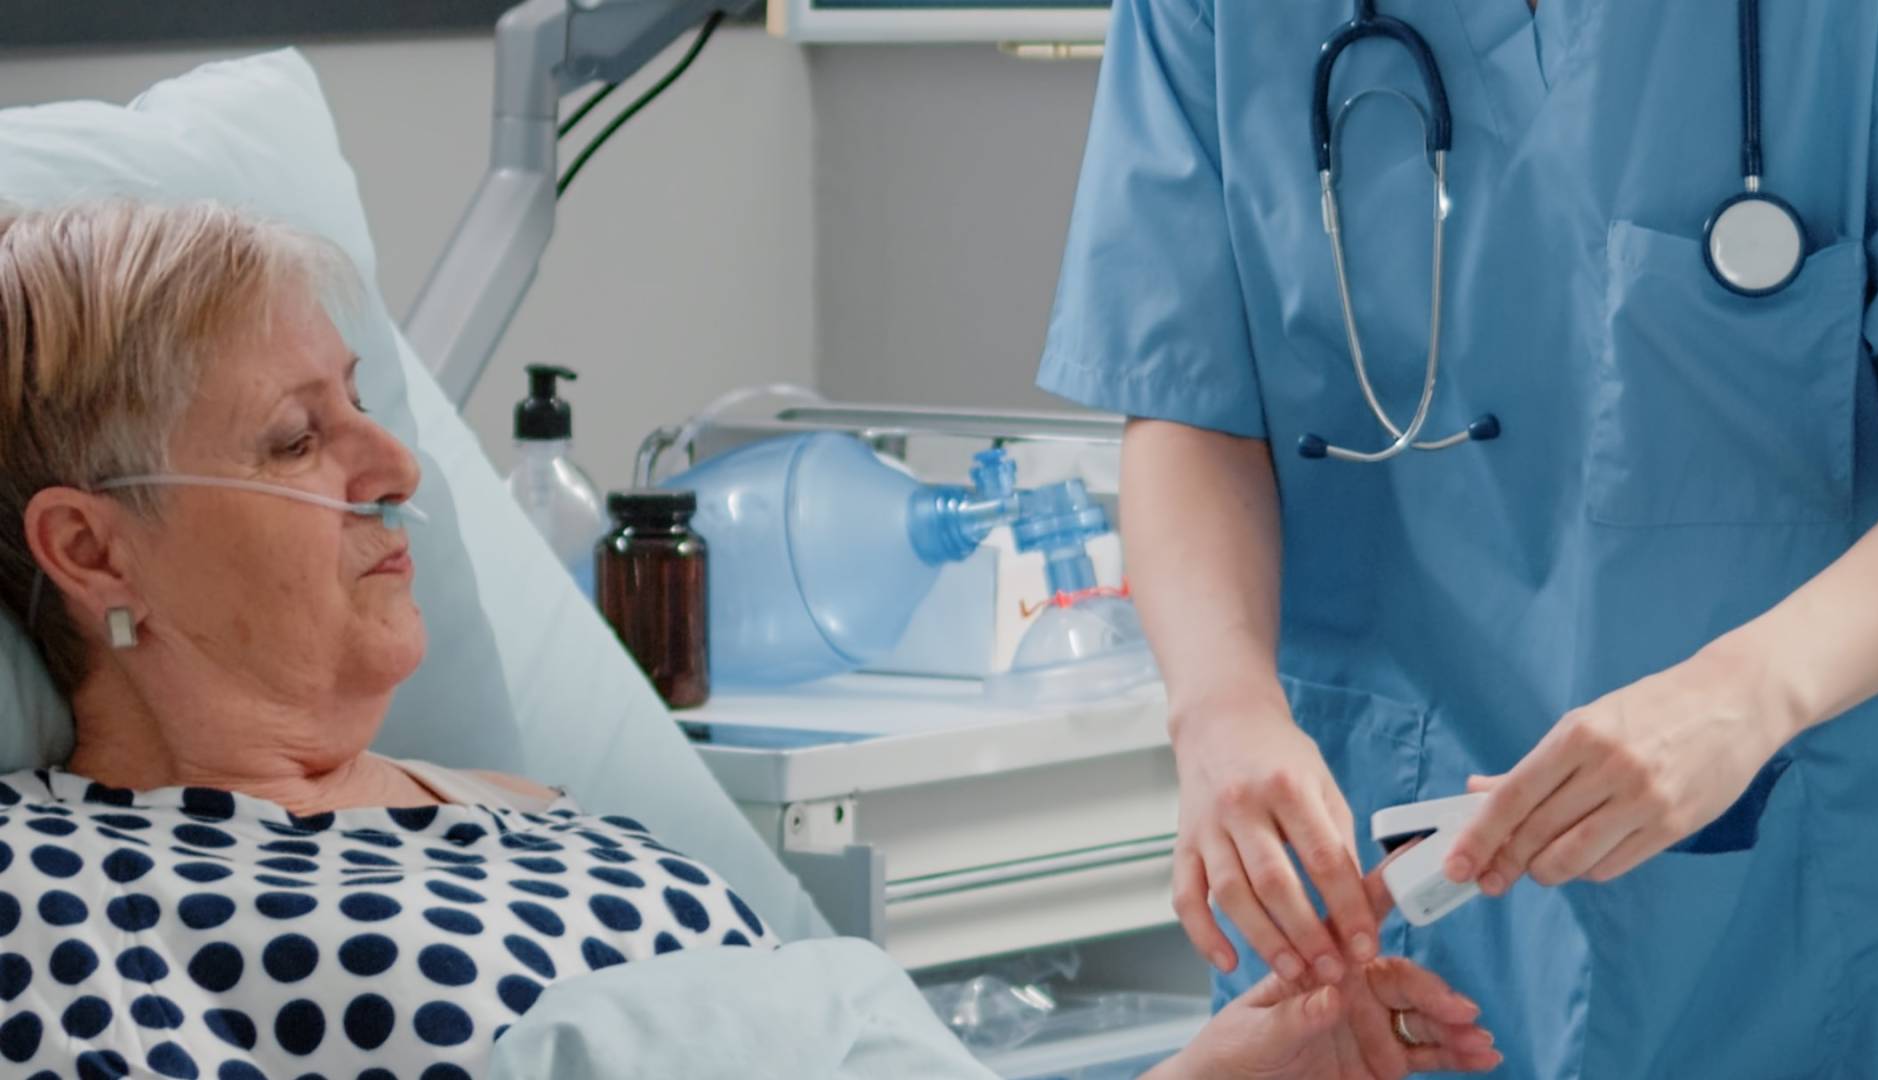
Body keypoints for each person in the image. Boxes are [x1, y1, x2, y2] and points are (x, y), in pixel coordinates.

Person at [0, 199, 1497, 1078]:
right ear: (89, 547)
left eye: (361, 403)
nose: (392, 464)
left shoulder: (533, 817)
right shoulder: (58, 888)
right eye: (293, 437)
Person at [1037, 0, 1878, 1075]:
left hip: (1794, 900)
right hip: (1381, 919)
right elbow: (1190, 394)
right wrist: (1219, 707)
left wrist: (1751, 691)